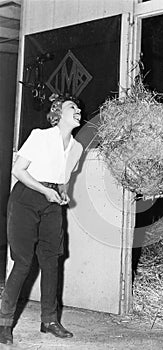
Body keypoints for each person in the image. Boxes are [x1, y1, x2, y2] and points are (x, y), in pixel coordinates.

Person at [0, 93, 83, 345]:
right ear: (58, 114)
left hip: (51, 203)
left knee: (51, 261)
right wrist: (45, 190)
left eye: (79, 107)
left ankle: (49, 320)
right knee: (23, 262)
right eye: (72, 107)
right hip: (26, 198)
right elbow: (18, 170)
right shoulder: (40, 136)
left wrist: (62, 193)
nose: (78, 110)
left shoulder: (77, 147)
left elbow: (64, 177)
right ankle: (4, 323)